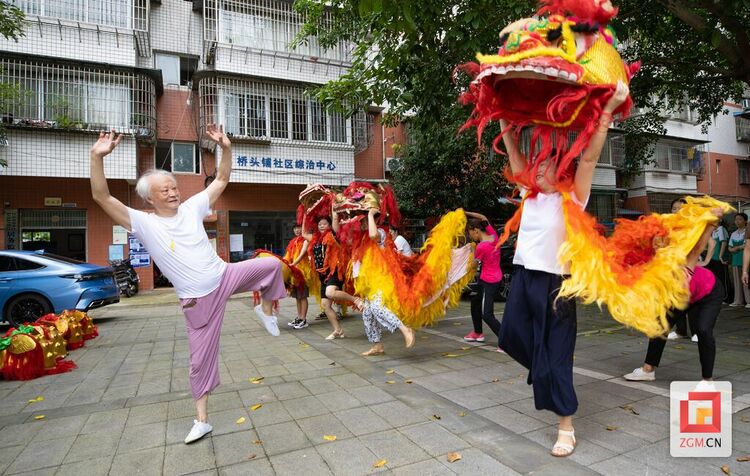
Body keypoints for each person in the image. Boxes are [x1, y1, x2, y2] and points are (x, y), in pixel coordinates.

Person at [89, 126, 286, 444]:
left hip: (224, 275)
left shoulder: (193, 207)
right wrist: (96, 157)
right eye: (164, 190)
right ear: (150, 198)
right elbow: (101, 196)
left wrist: (226, 148)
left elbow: (221, 179)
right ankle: (202, 420)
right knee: (200, 361)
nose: (172, 192)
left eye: (174, 186)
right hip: (198, 300)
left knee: (273, 265)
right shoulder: (144, 222)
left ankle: (265, 309)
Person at [497, 81, 629, 457]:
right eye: (536, 165)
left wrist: (608, 109)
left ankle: (566, 427)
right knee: (509, 336)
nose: (537, 168)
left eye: (547, 164)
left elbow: (588, 158)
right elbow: (513, 151)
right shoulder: (530, 195)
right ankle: (542, 370)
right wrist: (502, 114)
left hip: (558, 285)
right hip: (524, 278)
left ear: (562, 172)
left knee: (556, 356)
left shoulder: (574, 196)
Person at [624, 211, 725, 383]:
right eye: (654, 243)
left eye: (660, 242)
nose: (657, 246)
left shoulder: (682, 258)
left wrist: (712, 222)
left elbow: (701, 244)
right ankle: (648, 370)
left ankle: (707, 380)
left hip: (709, 291)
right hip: (682, 297)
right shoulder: (651, 264)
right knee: (660, 325)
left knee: (702, 329)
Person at [357, 208, 416, 356]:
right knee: (367, 313)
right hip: (370, 282)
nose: (361, 223)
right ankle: (377, 345)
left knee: (377, 307)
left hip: (383, 279)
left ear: (375, 220)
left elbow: (373, 234)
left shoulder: (382, 233)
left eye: (364, 220)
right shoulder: (363, 239)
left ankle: (404, 329)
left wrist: (370, 214)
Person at [303, 215, 359, 340]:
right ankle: (338, 330)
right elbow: (303, 233)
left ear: (329, 225)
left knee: (330, 292)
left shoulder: (334, 236)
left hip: (334, 272)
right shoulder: (316, 239)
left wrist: (334, 210)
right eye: (320, 224)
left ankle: (356, 300)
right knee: (325, 305)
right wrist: (305, 215)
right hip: (322, 276)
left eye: (324, 224)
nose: (322, 226)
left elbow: (335, 222)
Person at [463, 212, 502, 346]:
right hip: (488, 279)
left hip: (489, 282)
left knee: (487, 314)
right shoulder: (494, 236)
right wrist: (466, 213)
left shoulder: (481, 247)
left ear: (476, 230)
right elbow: (483, 217)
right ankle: (478, 332)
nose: (471, 237)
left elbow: (473, 265)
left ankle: (506, 341)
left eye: (471, 234)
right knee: (475, 302)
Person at [666, 198, 691, 340]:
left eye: (680, 209)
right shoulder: (668, 226)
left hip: (689, 266)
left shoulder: (693, 226)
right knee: (676, 300)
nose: (676, 211)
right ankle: (681, 330)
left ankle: (696, 331)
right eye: (674, 208)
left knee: (691, 299)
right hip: (672, 267)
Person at [286, 224, 310, 329]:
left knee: (303, 296)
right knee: (297, 297)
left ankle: (303, 319)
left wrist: (293, 264)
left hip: (303, 273)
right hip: (294, 273)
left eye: (299, 228)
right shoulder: (293, 242)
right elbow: (287, 256)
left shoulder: (306, 240)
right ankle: (299, 317)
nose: (297, 230)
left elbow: (301, 255)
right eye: (295, 228)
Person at [703, 218, 731, 305]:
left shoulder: (721, 229)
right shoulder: (714, 231)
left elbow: (724, 243)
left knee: (723, 278)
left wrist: (720, 256)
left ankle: (726, 297)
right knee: (715, 278)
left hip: (719, 259)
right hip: (713, 259)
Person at [728, 213, 750, 308]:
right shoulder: (734, 233)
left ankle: (749, 300)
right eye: (736, 219)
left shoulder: (747, 231)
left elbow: (747, 246)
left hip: (746, 259)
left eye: (740, 219)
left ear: (745, 221)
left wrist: (736, 248)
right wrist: (738, 247)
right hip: (736, 259)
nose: (737, 221)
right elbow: (730, 248)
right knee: (737, 281)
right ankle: (738, 300)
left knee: (747, 280)